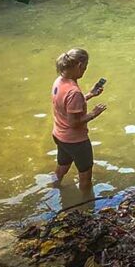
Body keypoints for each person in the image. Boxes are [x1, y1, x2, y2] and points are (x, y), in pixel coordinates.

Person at [51, 48, 105, 190]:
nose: (84, 71)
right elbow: (73, 122)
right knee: (85, 176)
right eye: (85, 67)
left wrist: (89, 95)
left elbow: (66, 106)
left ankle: (54, 188)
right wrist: (94, 113)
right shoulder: (74, 91)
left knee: (62, 167)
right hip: (76, 141)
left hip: (59, 135)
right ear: (80, 66)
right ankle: (85, 207)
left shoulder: (59, 82)